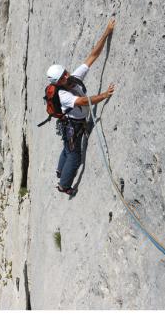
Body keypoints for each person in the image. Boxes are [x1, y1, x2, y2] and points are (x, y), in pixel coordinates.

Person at [47, 19, 116, 197]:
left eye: (66, 72)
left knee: (67, 148)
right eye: (63, 76)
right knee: (75, 156)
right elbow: (84, 102)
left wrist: (106, 32)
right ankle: (64, 185)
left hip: (72, 124)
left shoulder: (73, 78)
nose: (67, 75)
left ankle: (60, 171)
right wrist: (104, 95)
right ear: (58, 82)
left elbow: (92, 56)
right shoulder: (63, 95)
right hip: (73, 126)